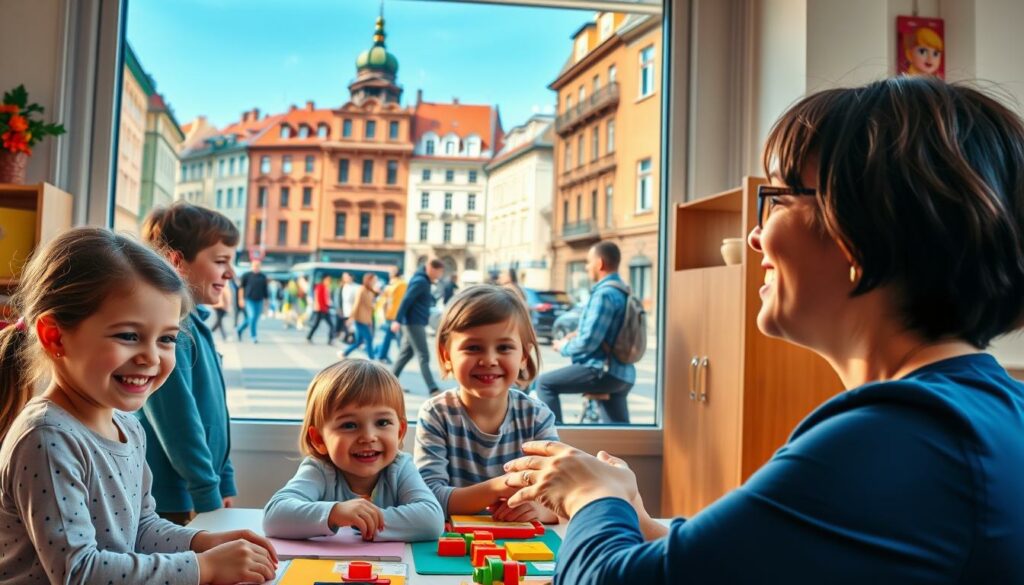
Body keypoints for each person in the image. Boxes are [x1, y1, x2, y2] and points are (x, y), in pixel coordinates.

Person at [503, 77, 1024, 583]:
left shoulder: (895, 436)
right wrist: (639, 521)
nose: (753, 237)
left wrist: (594, 498)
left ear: (859, 231)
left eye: (775, 201)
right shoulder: (986, 410)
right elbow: (774, 550)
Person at [0, 227, 278, 584]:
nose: (151, 357)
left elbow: (141, 529)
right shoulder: (47, 437)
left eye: (166, 339)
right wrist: (205, 567)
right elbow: (78, 573)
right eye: (129, 336)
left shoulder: (127, 425)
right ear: (55, 336)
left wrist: (203, 542)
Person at [415, 285, 559, 521]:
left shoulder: (537, 416)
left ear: (523, 355)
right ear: (446, 355)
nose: (489, 360)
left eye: (503, 348)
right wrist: (499, 487)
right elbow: (428, 499)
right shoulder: (437, 414)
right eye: (473, 348)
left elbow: (560, 496)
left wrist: (540, 510)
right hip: (453, 545)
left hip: (522, 544)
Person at [263, 359, 444, 542]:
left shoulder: (400, 467)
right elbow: (274, 517)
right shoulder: (320, 470)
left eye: (382, 423)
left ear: (400, 432)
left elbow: (432, 520)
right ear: (319, 439)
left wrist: (365, 521)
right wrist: (335, 513)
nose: (368, 436)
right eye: (349, 425)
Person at [139, 203, 241, 524]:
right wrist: (206, 493)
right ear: (176, 262)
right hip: (169, 499)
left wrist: (223, 480)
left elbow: (214, 414)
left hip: (191, 492)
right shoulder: (172, 332)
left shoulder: (195, 325)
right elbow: (179, 422)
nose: (231, 273)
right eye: (221, 261)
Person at [535, 241, 635, 423]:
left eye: (589, 262)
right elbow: (605, 333)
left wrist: (564, 346)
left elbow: (588, 342)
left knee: (544, 384)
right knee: (619, 433)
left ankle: (554, 442)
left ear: (600, 264)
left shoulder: (604, 294)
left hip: (602, 370)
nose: (587, 267)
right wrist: (576, 335)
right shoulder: (623, 290)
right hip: (623, 374)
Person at [391, 258, 445, 395]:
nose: (439, 276)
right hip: (414, 323)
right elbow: (406, 300)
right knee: (424, 355)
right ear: (431, 268)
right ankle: (433, 388)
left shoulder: (424, 281)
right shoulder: (421, 281)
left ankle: (388, 383)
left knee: (405, 355)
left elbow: (418, 300)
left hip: (415, 322)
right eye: (439, 272)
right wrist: (397, 320)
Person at [340, 272, 379, 359]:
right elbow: (356, 304)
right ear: (369, 280)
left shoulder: (371, 291)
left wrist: (370, 321)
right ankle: (371, 358)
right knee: (369, 338)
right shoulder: (362, 290)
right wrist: (351, 317)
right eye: (374, 280)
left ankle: (344, 353)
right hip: (360, 319)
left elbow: (371, 307)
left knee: (359, 341)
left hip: (367, 319)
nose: (375, 282)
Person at [375, 265, 406, 364]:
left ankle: (382, 355)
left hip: (392, 315)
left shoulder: (394, 286)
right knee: (395, 337)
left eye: (390, 272)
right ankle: (383, 355)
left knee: (390, 336)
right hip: (395, 316)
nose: (389, 274)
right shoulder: (400, 284)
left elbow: (386, 301)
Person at [236, 259, 269, 342]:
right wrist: (240, 299)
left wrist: (266, 302)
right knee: (252, 316)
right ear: (252, 266)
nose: (256, 267)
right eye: (255, 266)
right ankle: (253, 336)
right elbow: (241, 288)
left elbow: (265, 290)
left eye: (258, 266)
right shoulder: (246, 275)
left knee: (253, 319)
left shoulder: (263, 276)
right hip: (249, 300)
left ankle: (239, 329)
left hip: (259, 300)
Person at [307, 275, 335, 345]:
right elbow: (318, 298)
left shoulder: (326, 288)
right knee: (328, 325)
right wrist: (318, 307)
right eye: (328, 280)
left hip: (325, 309)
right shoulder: (320, 287)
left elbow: (327, 299)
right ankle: (309, 337)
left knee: (326, 325)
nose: (329, 282)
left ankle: (310, 337)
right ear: (324, 280)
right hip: (321, 309)